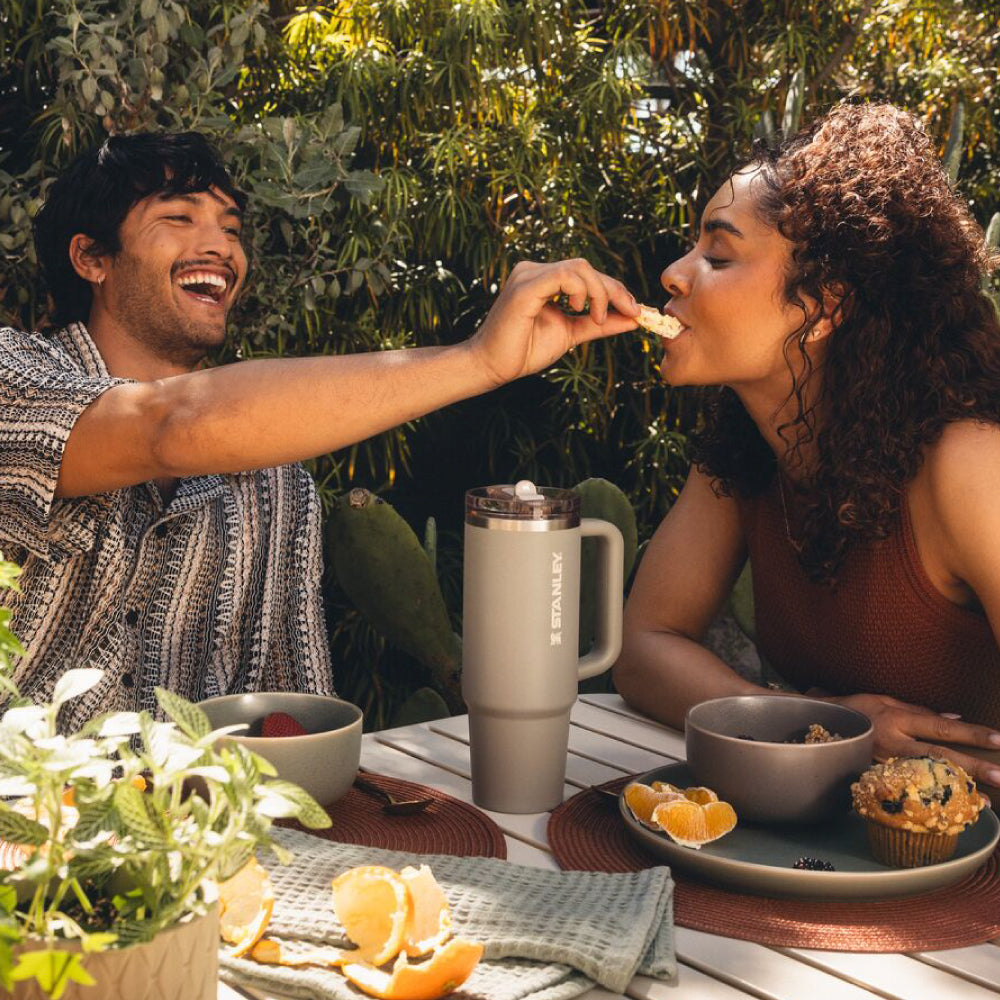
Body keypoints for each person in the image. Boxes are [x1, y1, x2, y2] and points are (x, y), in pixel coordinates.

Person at [0, 131, 640, 730]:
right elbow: (172, 424)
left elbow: (296, 711)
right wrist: (478, 360)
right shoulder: (14, 380)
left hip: (201, 836)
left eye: (231, 228)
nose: (222, 248)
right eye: (179, 217)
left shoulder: (280, 486)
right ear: (90, 257)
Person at [613, 101, 1000, 793]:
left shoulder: (964, 460)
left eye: (718, 254)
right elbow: (644, 651)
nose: (673, 274)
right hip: (825, 846)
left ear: (823, 304)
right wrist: (818, 727)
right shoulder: (750, 448)